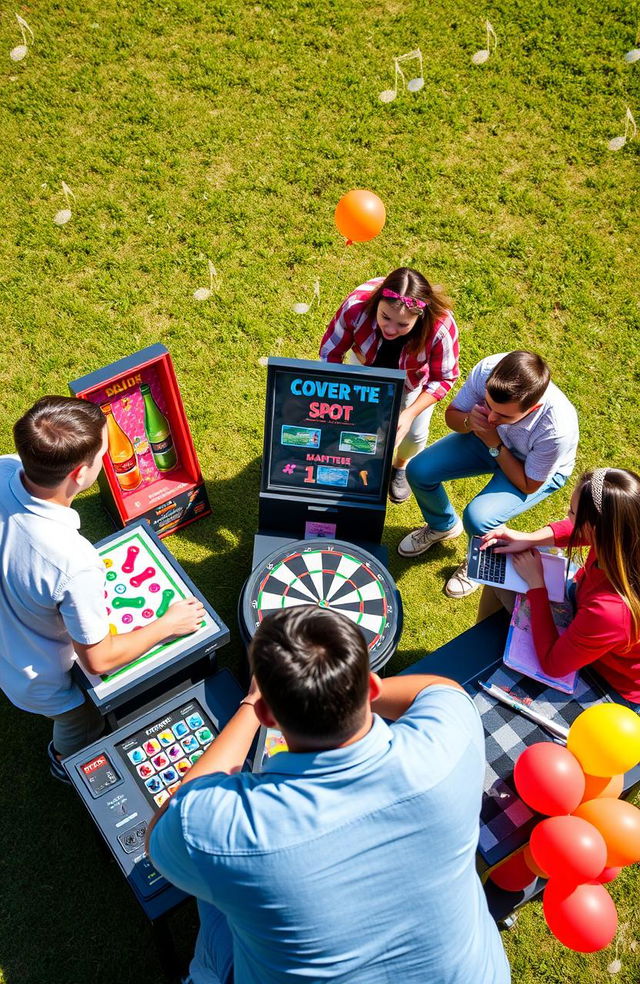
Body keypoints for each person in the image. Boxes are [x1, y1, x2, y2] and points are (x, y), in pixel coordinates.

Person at [147, 606, 510, 984]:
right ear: (371, 688)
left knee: (212, 897)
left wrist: (248, 709)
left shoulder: (225, 831)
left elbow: (164, 830)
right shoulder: (448, 745)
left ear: (269, 715)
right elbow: (442, 690)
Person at [0, 396, 204, 778]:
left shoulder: (4, 467)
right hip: (42, 681)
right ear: (79, 474)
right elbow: (99, 659)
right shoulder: (73, 562)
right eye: (102, 455)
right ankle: (64, 762)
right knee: (81, 724)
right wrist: (168, 625)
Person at [398, 351, 579, 599]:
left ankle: (480, 562)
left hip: (529, 470)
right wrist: (470, 423)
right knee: (419, 470)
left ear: (533, 408)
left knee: (479, 518)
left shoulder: (556, 430)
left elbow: (528, 485)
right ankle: (443, 526)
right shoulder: (489, 370)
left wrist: (495, 444)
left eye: (504, 415)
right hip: (488, 441)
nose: (492, 417)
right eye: (488, 405)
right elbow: (453, 416)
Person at [478, 468, 640, 704]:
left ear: (595, 530)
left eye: (573, 512)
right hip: (586, 614)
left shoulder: (611, 610)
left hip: (606, 679)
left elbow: (553, 664)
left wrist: (536, 585)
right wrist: (528, 538)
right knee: (502, 576)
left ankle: (483, 658)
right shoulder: (625, 533)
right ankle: (484, 646)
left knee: (512, 579)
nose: (567, 515)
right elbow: (576, 530)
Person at [319, 267, 459, 504]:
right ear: (377, 302)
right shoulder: (356, 306)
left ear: (420, 317)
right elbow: (330, 353)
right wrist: (342, 391)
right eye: (385, 317)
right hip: (363, 366)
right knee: (357, 420)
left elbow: (444, 377)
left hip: (412, 379)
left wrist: (410, 413)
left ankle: (399, 467)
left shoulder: (441, 328)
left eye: (403, 324)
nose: (391, 329)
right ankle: (353, 462)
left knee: (413, 434)